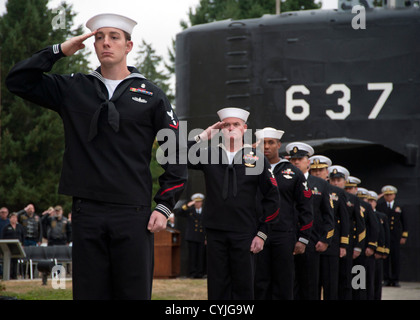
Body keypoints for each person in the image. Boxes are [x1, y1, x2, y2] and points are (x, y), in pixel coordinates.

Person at [6, 13, 188, 300]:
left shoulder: (152, 95)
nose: (106, 43)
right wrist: (60, 50)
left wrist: (165, 205)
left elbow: (176, 150)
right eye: (99, 37)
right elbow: (17, 80)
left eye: (114, 37)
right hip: (87, 212)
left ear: (128, 46)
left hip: (133, 213)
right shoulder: (74, 88)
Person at [188, 107, 280, 300]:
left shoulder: (257, 159)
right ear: (220, 129)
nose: (231, 128)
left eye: (236, 124)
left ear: (244, 129)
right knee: (217, 287)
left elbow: (272, 198)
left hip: (245, 232)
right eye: (226, 125)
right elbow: (174, 156)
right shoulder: (208, 155)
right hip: (215, 232)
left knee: (244, 287)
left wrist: (262, 234)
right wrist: (204, 136)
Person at [253, 128, 313, 300]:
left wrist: (303, 238)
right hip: (257, 234)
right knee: (259, 282)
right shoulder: (250, 170)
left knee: (284, 282)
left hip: (284, 235)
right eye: (263, 143)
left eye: (271, 142)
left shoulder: (294, 172)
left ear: (279, 145)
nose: (266, 147)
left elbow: (306, 206)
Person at [285, 143, 334, 300]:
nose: (296, 162)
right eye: (293, 160)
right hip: (287, 238)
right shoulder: (283, 181)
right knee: (288, 283)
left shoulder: (321, 184)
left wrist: (325, 239)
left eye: (300, 159)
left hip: (312, 241)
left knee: (310, 284)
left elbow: (328, 215)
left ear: (308, 161)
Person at [309, 155, 349, 300]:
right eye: (314, 170)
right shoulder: (303, 186)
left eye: (321, 170)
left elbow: (344, 220)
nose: (317, 173)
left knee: (330, 283)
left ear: (327, 171)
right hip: (310, 241)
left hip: (330, 243)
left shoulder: (337, 192)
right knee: (311, 283)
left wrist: (343, 244)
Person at [329, 168, 365, 300]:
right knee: (330, 280)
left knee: (345, 278)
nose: (336, 183)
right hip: (330, 242)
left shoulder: (352, 199)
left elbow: (360, 224)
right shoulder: (326, 194)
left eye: (338, 180)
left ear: (344, 181)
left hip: (346, 244)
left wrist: (358, 246)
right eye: (333, 180)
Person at [346, 179, 379, 300]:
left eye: (351, 188)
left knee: (359, 281)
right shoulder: (343, 202)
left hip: (361, 248)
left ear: (356, 189)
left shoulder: (365, 206)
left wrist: (371, 245)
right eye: (347, 188)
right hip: (346, 246)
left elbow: (373, 227)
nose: (348, 190)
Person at [376, 185, 407, 287]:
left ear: (394, 195)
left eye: (390, 194)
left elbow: (404, 221)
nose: (389, 196)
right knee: (385, 257)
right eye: (387, 195)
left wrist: (404, 236)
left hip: (395, 236)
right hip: (384, 235)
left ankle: (395, 279)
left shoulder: (399, 206)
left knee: (395, 258)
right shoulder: (380, 206)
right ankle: (386, 279)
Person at [175, 193, 206, 279]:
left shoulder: (205, 211)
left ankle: (200, 273)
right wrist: (188, 205)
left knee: (201, 256)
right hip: (192, 236)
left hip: (201, 236)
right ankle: (192, 273)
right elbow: (178, 212)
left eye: (199, 202)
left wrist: (206, 237)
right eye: (196, 202)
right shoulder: (190, 211)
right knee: (192, 256)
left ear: (202, 202)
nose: (198, 203)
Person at [367, 190, 390, 300]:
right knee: (364, 280)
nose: (370, 203)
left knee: (376, 280)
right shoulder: (362, 214)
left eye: (373, 201)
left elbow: (384, 235)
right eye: (368, 200)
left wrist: (382, 251)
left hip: (377, 253)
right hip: (366, 252)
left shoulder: (381, 216)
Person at [1, 212, 25, 279]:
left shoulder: (20, 227)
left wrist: (23, 244)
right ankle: (8, 275)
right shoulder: (6, 227)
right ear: (10, 218)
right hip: (8, 247)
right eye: (13, 217)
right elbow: (2, 236)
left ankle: (14, 275)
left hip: (17, 246)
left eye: (15, 218)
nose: (14, 219)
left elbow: (23, 236)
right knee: (9, 261)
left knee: (15, 261)